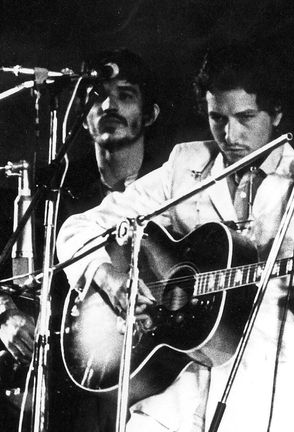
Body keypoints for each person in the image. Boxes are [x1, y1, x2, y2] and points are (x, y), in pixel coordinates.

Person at [56, 43, 294, 432]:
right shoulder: (186, 164)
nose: (229, 135)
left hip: (266, 397)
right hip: (171, 394)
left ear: (278, 113)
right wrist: (107, 277)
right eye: (217, 118)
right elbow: (79, 228)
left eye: (245, 117)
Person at [0, 47, 162, 431]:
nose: (109, 104)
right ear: (84, 119)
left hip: (134, 387)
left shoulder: (166, 192)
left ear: (151, 114)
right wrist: (5, 316)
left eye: (125, 95)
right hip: (48, 387)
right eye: (99, 95)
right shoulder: (52, 196)